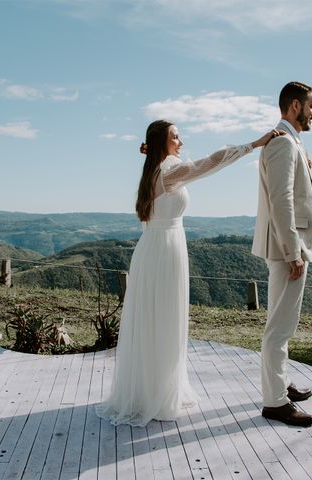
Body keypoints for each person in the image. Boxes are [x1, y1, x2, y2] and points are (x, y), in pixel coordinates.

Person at [96, 120, 282, 426]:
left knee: (157, 319)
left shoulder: (156, 169)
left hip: (158, 247)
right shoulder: (168, 172)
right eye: (175, 137)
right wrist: (253, 144)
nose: (180, 141)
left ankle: (152, 389)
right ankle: (156, 394)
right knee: (163, 318)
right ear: (163, 142)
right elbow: (210, 163)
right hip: (164, 250)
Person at [251, 81, 312, 427]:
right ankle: (275, 402)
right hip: (286, 249)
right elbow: (282, 201)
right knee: (279, 326)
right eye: (311, 106)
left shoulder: (290, 142)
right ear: (294, 106)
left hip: (285, 247)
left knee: (281, 322)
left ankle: (281, 384)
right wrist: (294, 251)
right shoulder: (282, 144)